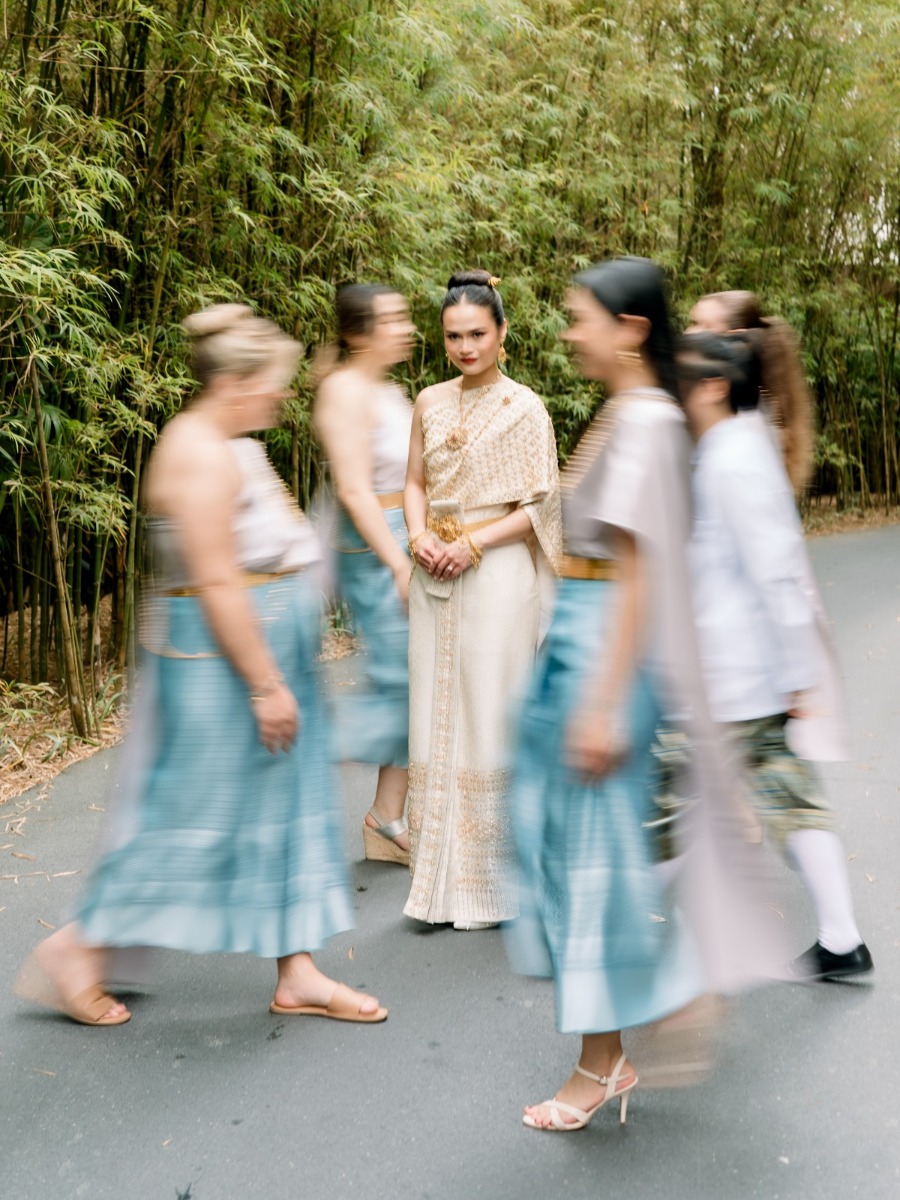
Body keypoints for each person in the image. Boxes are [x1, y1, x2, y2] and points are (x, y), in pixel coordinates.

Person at [14, 304, 387, 1026]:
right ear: (235, 383)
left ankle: (298, 969)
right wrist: (267, 684)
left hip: (260, 650)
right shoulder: (198, 451)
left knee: (286, 809)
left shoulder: (231, 438)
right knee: (196, 815)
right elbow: (216, 582)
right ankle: (78, 950)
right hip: (222, 663)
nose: (284, 396)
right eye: (274, 383)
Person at [507, 258, 780, 1132]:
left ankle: (611, 1052)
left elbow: (640, 573)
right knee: (560, 853)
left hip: (603, 662)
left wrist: (599, 699)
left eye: (578, 316)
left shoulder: (652, 421)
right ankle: (646, 1012)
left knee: (587, 866)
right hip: (580, 650)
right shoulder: (628, 411)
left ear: (630, 330)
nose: (566, 330)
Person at [677, 330, 872, 982]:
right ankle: (840, 940)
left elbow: (777, 572)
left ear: (711, 386)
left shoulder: (732, 460)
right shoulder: (730, 450)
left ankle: (674, 955)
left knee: (675, 799)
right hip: (740, 673)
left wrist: (796, 674)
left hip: (740, 674)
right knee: (789, 800)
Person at [403, 269, 562, 930]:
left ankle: (496, 883)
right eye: (453, 336)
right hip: (432, 572)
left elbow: (540, 505)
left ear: (501, 333)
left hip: (495, 573)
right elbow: (411, 480)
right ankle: (436, 882)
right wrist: (417, 535)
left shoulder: (524, 407)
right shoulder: (428, 401)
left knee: (491, 712)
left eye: (476, 333)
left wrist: (472, 544)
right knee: (433, 712)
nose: (465, 347)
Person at [314, 284, 416, 866]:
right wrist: (398, 560)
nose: (406, 327)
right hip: (376, 543)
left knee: (411, 680)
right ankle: (302, 747)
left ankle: (386, 815)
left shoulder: (387, 388)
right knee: (405, 684)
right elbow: (353, 488)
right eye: (392, 319)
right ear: (358, 333)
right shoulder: (343, 390)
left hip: (404, 531)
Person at [688, 290, 815, 496]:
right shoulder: (728, 417)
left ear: (735, 343)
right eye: (693, 322)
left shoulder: (750, 434)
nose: (689, 334)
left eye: (704, 326)